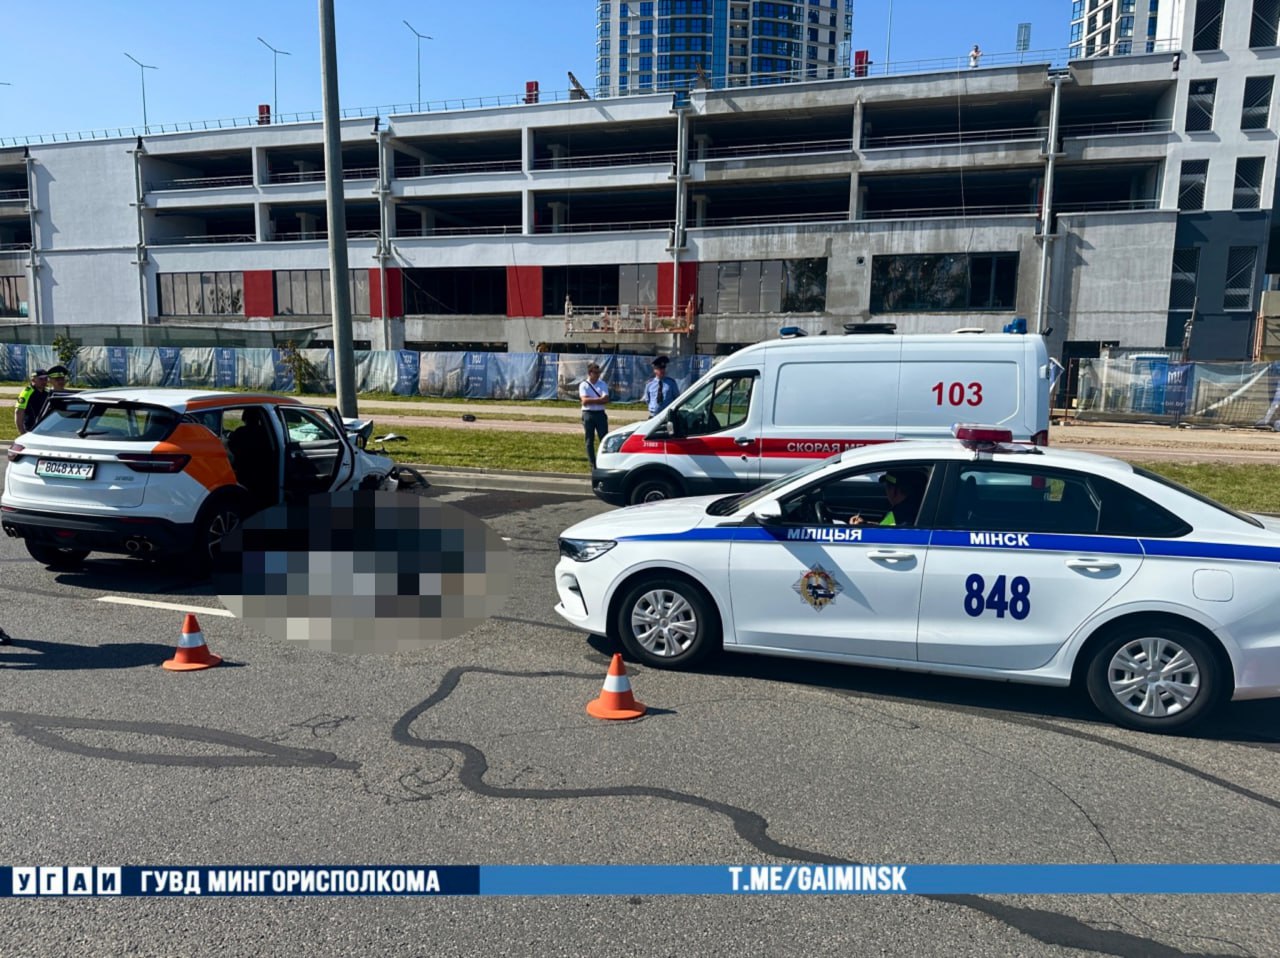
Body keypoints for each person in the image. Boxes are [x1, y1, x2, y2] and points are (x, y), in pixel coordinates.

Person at [226, 407, 278, 508]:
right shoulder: (266, 433)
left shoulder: (240, 432)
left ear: (244, 418)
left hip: (243, 471)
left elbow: (230, 447)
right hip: (263, 473)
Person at [852, 470, 927, 527]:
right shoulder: (911, 508)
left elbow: (885, 534)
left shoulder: (901, 517)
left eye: (887, 487)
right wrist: (864, 524)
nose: (886, 491)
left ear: (894, 491)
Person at [579, 362, 610, 468]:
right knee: (589, 439)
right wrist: (599, 399)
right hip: (588, 414)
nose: (598, 374)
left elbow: (605, 399)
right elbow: (584, 401)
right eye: (595, 372)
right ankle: (593, 463)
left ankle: (605, 460)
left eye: (599, 372)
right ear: (590, 373)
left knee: (604, 438)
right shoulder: (583, 385)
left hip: (600, 414)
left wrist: (591, 400)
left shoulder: (603, 384)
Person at [13, 369, 49, 435]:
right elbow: (19, 411)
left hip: (46, 428)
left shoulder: (47, 392)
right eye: (41, 379)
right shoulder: (27, 392)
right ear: (33, 380)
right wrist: (22, 431)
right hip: (31, 429)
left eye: (46, 379)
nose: (44, 381)